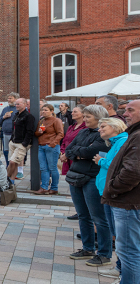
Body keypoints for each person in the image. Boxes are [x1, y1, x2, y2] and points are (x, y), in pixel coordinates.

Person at [63, 104, 112, 267]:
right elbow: (70, 150)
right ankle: (88, 248)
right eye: (84, 117)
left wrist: (80, 153)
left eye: (88, 117)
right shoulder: (83, 131)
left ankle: (104, 253)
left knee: (98, 217)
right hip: (76, 176)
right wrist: (80, 153)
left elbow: (91, 152)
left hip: (91, 178)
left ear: (98, 118)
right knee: (83, 215)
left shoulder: (103, 134)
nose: (84, 120)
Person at [102, 100, 140, 284]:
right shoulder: (134, 134)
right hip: (129, 202)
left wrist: (113, 188)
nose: (124, 114)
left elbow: (132, 171)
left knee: (128, 252)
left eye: (130, 110)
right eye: (124, 110)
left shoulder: (137, 136)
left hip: (128, 203)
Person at [93, 117, 128, 280]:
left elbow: (116, 165)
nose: (99, 129)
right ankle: (120, 267)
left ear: (115, 127)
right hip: (105, 191)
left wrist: (101, 161)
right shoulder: (114, 142)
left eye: (103, 126)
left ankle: (125, 272)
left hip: (114, 193)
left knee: (123, 238)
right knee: (115, 232)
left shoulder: (123, 141)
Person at [34, 103, 64, 195]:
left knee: (52, 168)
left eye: (46, 110)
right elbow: (36, 134)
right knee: (43, 168)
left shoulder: (56, 120)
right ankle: (44, 187)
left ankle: (54, 188)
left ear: (52, 111)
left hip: (52, 146)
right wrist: (39, 132)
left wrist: (53, 144)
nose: (43, 111)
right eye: (42, 110)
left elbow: (60, 133)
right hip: (41, 146)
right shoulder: (41, 121)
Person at [7, 98, 36, 182]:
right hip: (13, 142)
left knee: (13, 162)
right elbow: (14, 128)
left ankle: (5, 179)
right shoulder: (16, 115)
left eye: (18, 104)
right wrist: (11, 139)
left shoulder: (28, 116)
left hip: (21, 143)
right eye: (16, 104)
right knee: (13, 163)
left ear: (24, 104)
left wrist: (25, 143)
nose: (16, 105)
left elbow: (30, 130)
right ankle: (11, 182)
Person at [61, 104, 87, 176]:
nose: (72, 113)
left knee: (76, 178)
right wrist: (63, 152)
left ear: (83, 114)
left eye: (75, 111)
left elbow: (81, 143)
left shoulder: (85, 127)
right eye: (72, 111)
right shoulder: (71, 127)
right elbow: (65, 141)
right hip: (67, 157)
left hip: (76, 158)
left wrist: (67, 154)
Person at [0, 92, 20, 171]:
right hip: (5, 133)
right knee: (6, 151)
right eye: (8, 98)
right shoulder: (5, 109)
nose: (8, 100)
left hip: (15, 134)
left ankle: (16, 168)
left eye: (10, 98)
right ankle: (8, 166)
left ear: (16, 99)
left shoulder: (18, 109)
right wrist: (4, 117)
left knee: (15, 152)